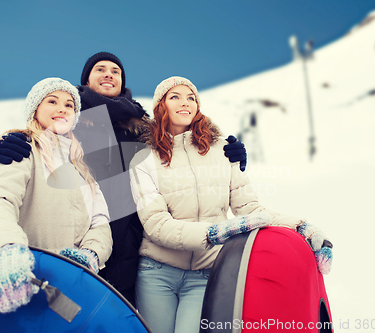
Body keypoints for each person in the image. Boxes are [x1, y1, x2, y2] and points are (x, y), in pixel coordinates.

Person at [0, 52, 248, 307]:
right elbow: (12, 175)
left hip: (132, 244)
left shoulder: (145, 127)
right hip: (72, 243)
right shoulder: (71, 120)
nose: (108, 74)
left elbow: (182, 153)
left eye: (115, 70)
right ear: (85, 80)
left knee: (114, 318)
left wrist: (224, 150)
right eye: (100, 69)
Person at [129, 76, 332, 333]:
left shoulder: (223, 150)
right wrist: (212, 233)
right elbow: (156, 224)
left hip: (205, 273)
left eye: (191, 98)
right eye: (175, 97)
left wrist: (301, 227)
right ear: (161, 106)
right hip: (156, 273)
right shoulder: (143, 159)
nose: (185, 103)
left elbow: (249, 208)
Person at [0, 78, 112, 313]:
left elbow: (100, 222)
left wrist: (90, 254)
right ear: (35, 110)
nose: (62, 109)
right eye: (52, 101)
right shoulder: (21, 150)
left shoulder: (82, 169)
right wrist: (6, 248)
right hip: (23, 278)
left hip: (69, 289)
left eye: (69, 105)